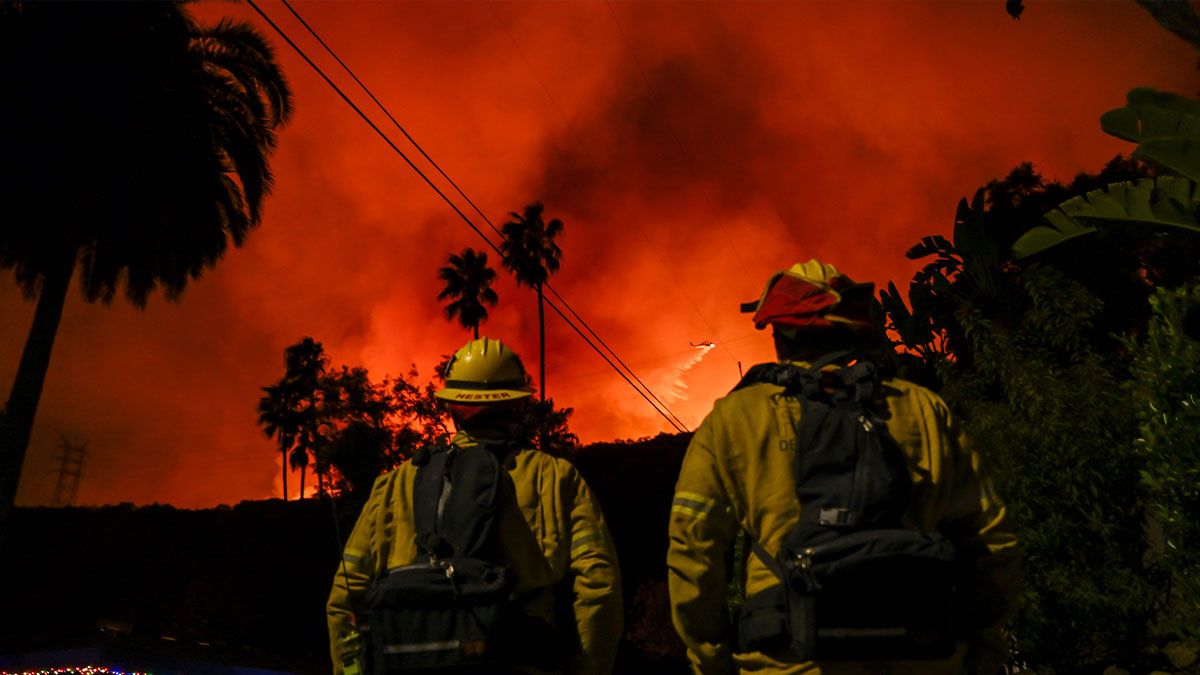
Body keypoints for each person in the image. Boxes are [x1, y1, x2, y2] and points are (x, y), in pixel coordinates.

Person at [667, 259, 1021, 675]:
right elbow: (992, 542)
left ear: (780, 332)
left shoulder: (735, 418)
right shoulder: (924, 409)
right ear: (856, 328)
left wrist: (710, 659)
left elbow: (693, 552)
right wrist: (982, 645)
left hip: (788, 661)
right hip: (924, 655)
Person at [327, 337, 623, 675]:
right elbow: (598, 587)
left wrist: (350, 672)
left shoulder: (395, 485)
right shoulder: (554, 479)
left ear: (450, 407)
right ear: (519, 406)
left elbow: (345, 599)